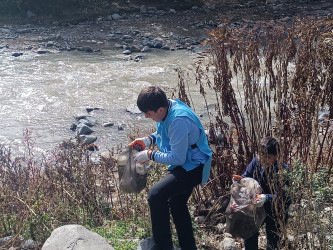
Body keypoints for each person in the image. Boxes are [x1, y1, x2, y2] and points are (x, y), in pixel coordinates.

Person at [129, 86, 212, 250]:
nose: (146, 116)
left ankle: (163, 246)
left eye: (148, 113)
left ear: (160, 109)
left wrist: (149, 155)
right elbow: (163, 131)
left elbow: (178, 158)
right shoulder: (168, 106)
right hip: (187, 163)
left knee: (156, 195)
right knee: (177, 203)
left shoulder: (178, 120)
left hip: (195, 166)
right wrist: (147, 140)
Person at [233, 136, 291, 250]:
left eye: (268, 157)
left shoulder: (284, 171)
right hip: (257, 207)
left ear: (276, 156)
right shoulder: (256, 162)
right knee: (249, 233)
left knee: (273, 242)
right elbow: (246, 176)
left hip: (275, 210)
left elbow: (285, 196)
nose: (263, 160)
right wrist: (239, 181)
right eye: (261, 156)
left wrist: (267, 198)